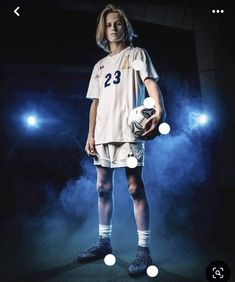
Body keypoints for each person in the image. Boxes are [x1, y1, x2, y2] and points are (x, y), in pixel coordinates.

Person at [77, 4, 165, 277]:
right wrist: (91, 134)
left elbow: (151, 83)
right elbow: (95, 103)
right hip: (103, 134)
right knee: (102, 187)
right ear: (103, 31)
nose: (113, 28)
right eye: (109, 24)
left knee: (134, 188)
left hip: (129, 134)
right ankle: (104, 243)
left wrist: (160, 110)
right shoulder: (100, 65)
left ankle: (143, 250)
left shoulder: (137, 54)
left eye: (118, 23)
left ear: (125, 26)